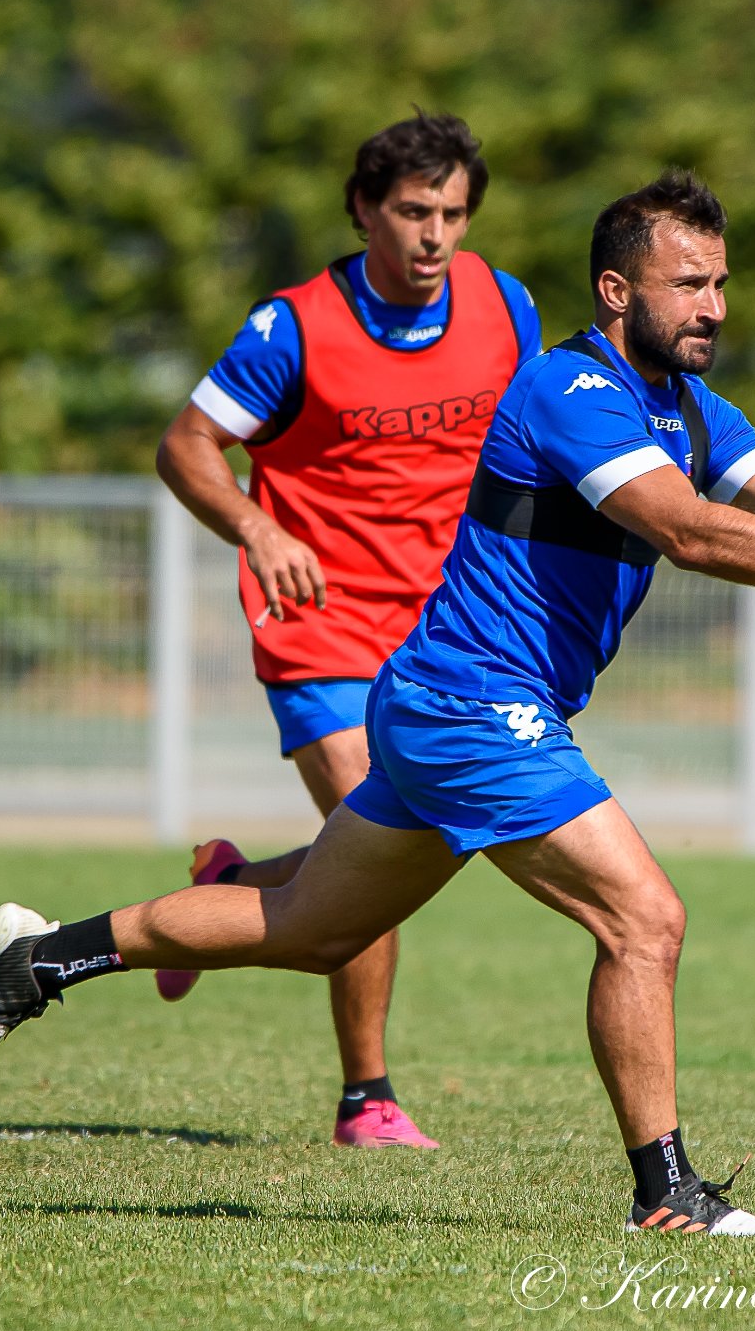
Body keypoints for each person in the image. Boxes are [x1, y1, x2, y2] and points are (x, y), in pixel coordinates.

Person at [0, 169, 755, 1235]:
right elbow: (688, 532)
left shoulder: (690, 408)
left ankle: (40, 957)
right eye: (687, 284)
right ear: (617, 291)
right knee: (644, 919)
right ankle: (667, 1194)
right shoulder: (571, 390)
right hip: (474, 706)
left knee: (308, 928)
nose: (712, 305)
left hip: (443, 700)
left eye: (719, 282)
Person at [149, 111, 540, 1150]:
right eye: (413, 211)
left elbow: (532, 442)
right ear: (365, 209)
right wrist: (256, 525)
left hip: (449, 634)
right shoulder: (294, 328)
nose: (434, 235)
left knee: (395, 842)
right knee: (372, 845)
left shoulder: (503, 307)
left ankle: (226, 890)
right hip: (319, 626)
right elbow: (186, 445)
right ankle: (366, 1096)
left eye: (453, 213)